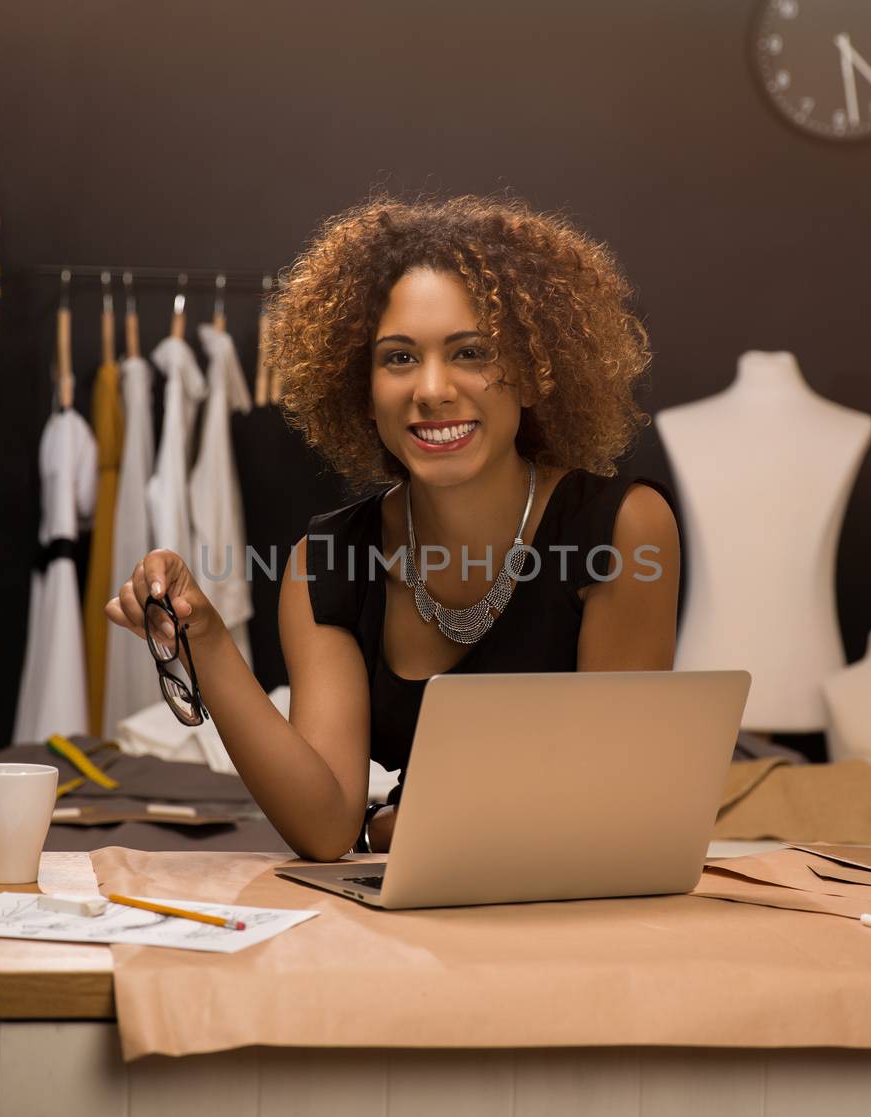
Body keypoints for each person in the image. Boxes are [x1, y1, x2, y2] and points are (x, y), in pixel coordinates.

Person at [107, 195, 680, 860]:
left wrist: (390, 825)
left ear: (531, 375)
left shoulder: (622, 531)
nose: (431, 389)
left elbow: (611, 805)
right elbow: (323, 828)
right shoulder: (327, 563)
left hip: (574, 919)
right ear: (363, 388)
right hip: (412, 926)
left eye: (470, 352)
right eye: (399, 358)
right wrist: (203, 637)